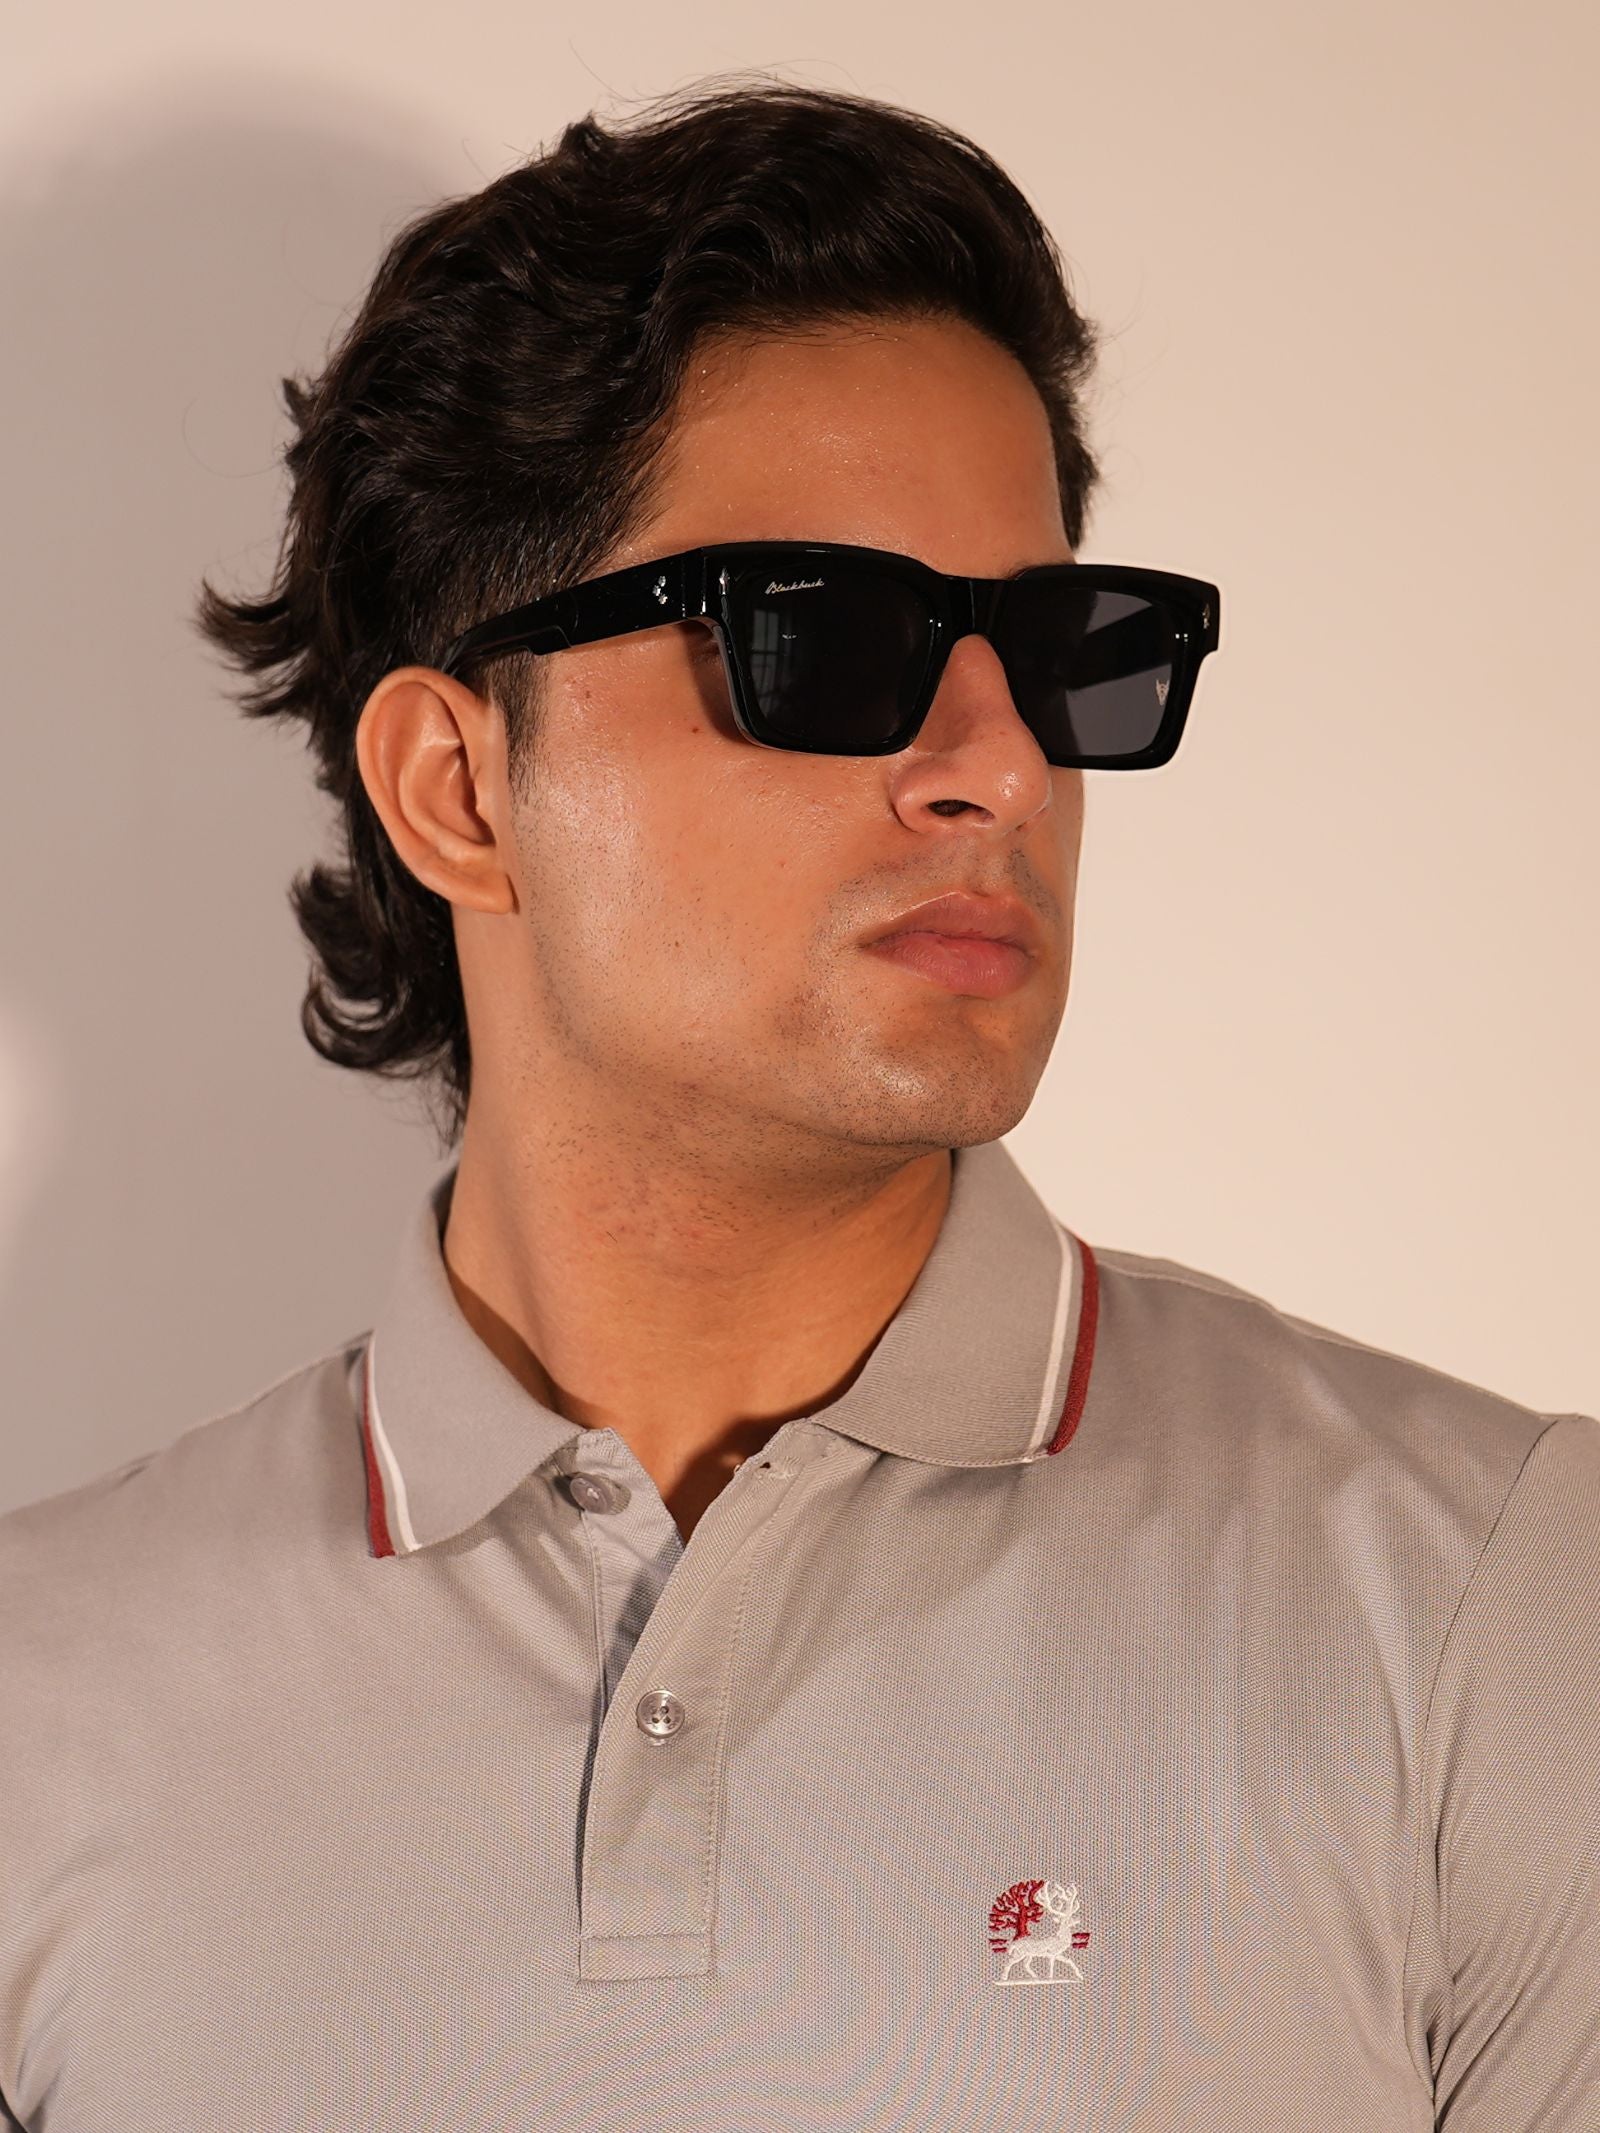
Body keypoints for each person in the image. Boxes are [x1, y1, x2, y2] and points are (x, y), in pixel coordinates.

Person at [1, 74, 1594, 2133]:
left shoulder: (1488, 1607)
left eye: (1056, 652)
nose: (998, 768)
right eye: (827, 643)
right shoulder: (43, 1699)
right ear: (457, 788)